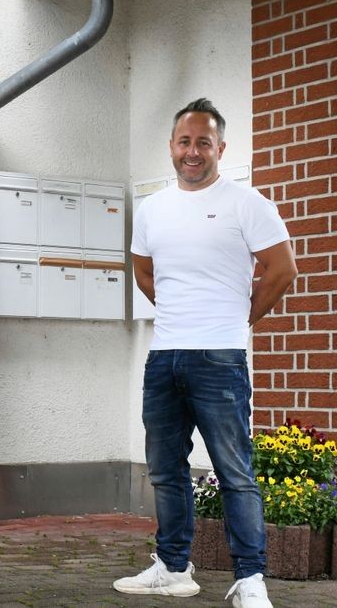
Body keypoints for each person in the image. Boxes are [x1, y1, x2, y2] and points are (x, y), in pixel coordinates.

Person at [114, 98, 296, 608]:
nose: (192, 152)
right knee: (166, 468)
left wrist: (238, 318)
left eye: (203, 143)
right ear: (172, 147)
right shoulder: (152, 209)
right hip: (165, 355)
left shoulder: (247, 203)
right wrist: (180, 310)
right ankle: (173, 567)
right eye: (184, 142)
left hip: (220, 357)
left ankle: (250, 578)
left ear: (220, 148)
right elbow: (145, 271)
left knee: (234, 470)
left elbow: (282, 270)